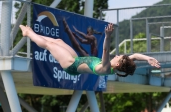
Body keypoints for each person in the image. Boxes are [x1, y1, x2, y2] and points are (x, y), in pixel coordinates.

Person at [19, 23, 160, 77]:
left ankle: (29, 33)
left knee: (50, 45)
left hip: (71, 65)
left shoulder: (105, 68)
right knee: (59, 41)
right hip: (77, 60)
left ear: (117, 64)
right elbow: (134, 55)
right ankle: (33, 34)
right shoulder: (114, 66)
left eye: (118, 57)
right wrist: (147, 58)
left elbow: (105, 50)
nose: (116, 55)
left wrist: (108, 36)